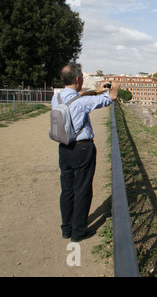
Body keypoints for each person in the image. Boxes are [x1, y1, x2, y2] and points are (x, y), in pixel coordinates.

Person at [51, 63, 120, 242]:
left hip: (64, 148)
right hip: (82, 149)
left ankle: (66, 228)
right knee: (82, 189)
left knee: (67, 190)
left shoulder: (56, 98)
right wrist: (115, 88)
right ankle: (79, 232)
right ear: (77, 79)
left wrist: (95, 90)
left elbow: (76, 96)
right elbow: (110, 98)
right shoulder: (82, 103)